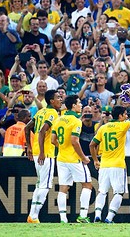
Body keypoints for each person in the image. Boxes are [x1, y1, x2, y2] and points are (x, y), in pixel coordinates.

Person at [90, 88, 130, 223]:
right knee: (118, 193)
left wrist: (96, 160)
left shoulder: (103, 127)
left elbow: (92, 145)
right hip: (118, 165)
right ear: (120, 116)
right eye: (125, 114)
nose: (126, 116)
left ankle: (97, 216)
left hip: (104, 165)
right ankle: (108, 218)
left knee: (102, 192)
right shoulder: (122, 126)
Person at [51, 94, 93, 223]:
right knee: (87, 185)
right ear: (74, 105)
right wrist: (83, 157)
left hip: (61, 158)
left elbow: (53, 141)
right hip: (74, 159)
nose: (81, 105)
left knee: (63, 187)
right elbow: (75, 141)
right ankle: (83, 215)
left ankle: (63, 218)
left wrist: (63, 147)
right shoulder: (76, 121)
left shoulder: (58, 120)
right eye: (79, 103)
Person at [24, 89, 62, 223]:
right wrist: (41, 151)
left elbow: (27, 128)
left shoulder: (40, 112)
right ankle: (34, 216)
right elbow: (42, 131)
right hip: (45, 154)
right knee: (45, 186)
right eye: (58, 97)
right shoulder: (52, 113)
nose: (61, 99)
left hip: (36, 153)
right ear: (52, 100)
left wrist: (29, 147)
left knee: (39, 184)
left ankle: (32, 216)